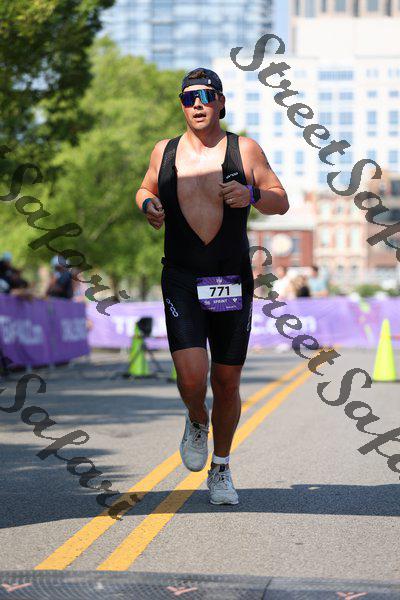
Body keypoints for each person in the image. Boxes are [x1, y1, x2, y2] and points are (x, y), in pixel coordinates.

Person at [136, 67, 288, 505]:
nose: (198, 104)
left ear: (221, 102)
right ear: (182, 106)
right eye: (189, 98)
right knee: (191, 378)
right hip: (182, 277)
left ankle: (221, 467)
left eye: (206, 96)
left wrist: (252, 195)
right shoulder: (164, 150)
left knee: (225, 380)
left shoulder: (245, 149)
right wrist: (148, 204)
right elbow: (144, 188)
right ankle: (195, 419)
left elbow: (281, 200)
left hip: (230, 279)